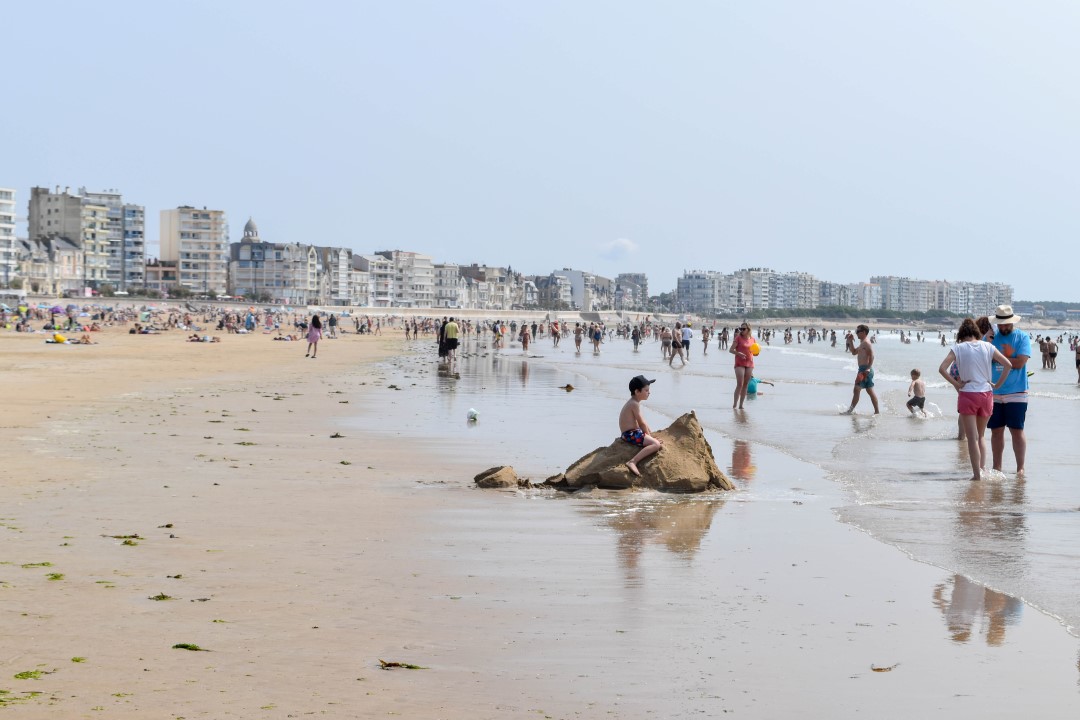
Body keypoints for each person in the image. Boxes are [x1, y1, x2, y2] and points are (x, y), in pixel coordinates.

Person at [939, 317, 1012, 481]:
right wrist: (997, 384)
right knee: (981, 437)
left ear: (961, 335)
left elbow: (942, 369)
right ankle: (982, 469)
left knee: (971, 438)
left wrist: (957, 384)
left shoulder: (958, 348)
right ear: (976, 333)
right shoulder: (988, 346)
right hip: (986, 393)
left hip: (968, 393)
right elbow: (1008, 364)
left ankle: (977, 475)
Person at [987, 305, 1030, 477]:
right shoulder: (989, 339)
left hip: (1017, 391)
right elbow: (982, 360)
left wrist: (996, 357)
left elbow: (1020, 362)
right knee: (996, 431)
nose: (1003, 327)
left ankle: (1020, 468)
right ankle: (997, 467)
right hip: (994, 392)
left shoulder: (1022, 337)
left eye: (1006, 324)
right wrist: (987, 344)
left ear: (1012, 322)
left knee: (1016, 430)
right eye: (1001, 324)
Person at [619, 375, 663, 477]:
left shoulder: (634, 402)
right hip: (629, 434)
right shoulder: (634, 404)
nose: (649, 392)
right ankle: (633, 462)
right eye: (646, 390)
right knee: (656, 445)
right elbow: (641, 423)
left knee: (653, 440)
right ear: (637, 392)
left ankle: (650, 440)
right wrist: (651, 440)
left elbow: (643, 423)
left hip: (633, 432)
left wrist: (650, 436)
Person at [843, 324, 879, 414]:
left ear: (863, 332)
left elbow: (872, 355)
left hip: (865, 369)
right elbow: (854, 352)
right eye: (856, 331)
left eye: (858, 332)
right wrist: (850, 341)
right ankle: (877, 412)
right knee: (868, 390)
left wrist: (868, 368)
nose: (856, 333)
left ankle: (850, 411)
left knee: (858, 389)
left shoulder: (866, 343)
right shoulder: (862, 343)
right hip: (862, 369)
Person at [730, 322, 755, 409]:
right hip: (739, 363)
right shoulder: (738, 338)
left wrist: (756, 353)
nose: (742, 330)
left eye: (744, 329)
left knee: (745, 384)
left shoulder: (752, 339)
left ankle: (741, 405)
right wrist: (738, 353)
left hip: (749, 363)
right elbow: (731, 350)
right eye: (741, 329)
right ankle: (734, 404)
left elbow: (754, 351)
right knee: (740, 384)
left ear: (748, 329)